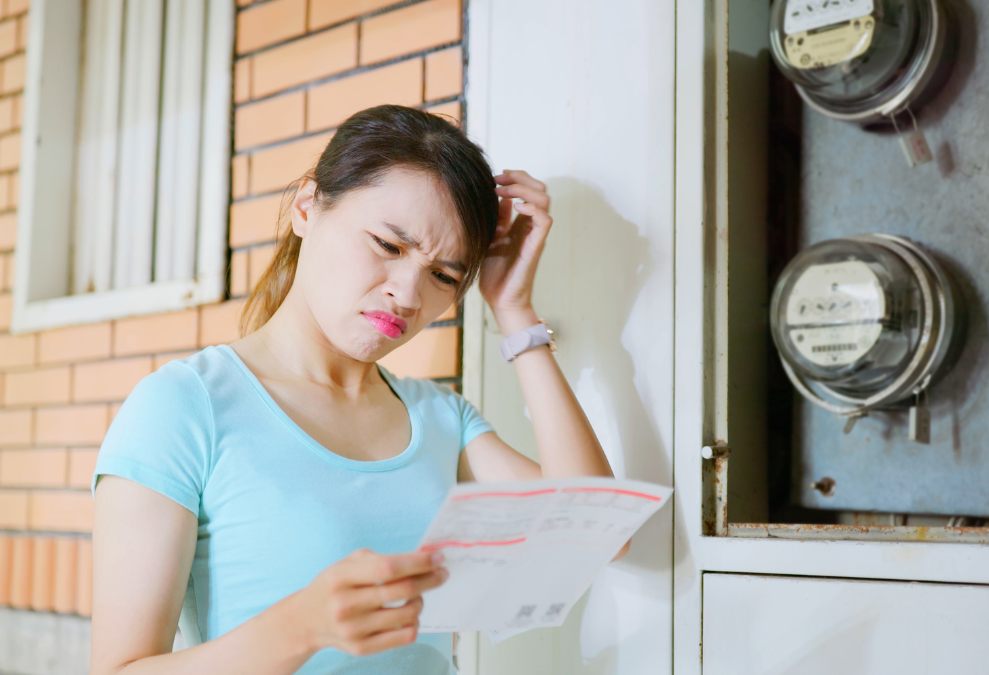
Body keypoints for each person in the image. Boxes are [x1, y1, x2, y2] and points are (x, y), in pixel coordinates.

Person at [90, 105, 623, 675]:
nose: (408, 294)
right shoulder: (185, 406)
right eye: (388, 246)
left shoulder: (440, 419)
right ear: (306, 207)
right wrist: (300, 627)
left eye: (444, 275)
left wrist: (514, 311)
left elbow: (598, 532)